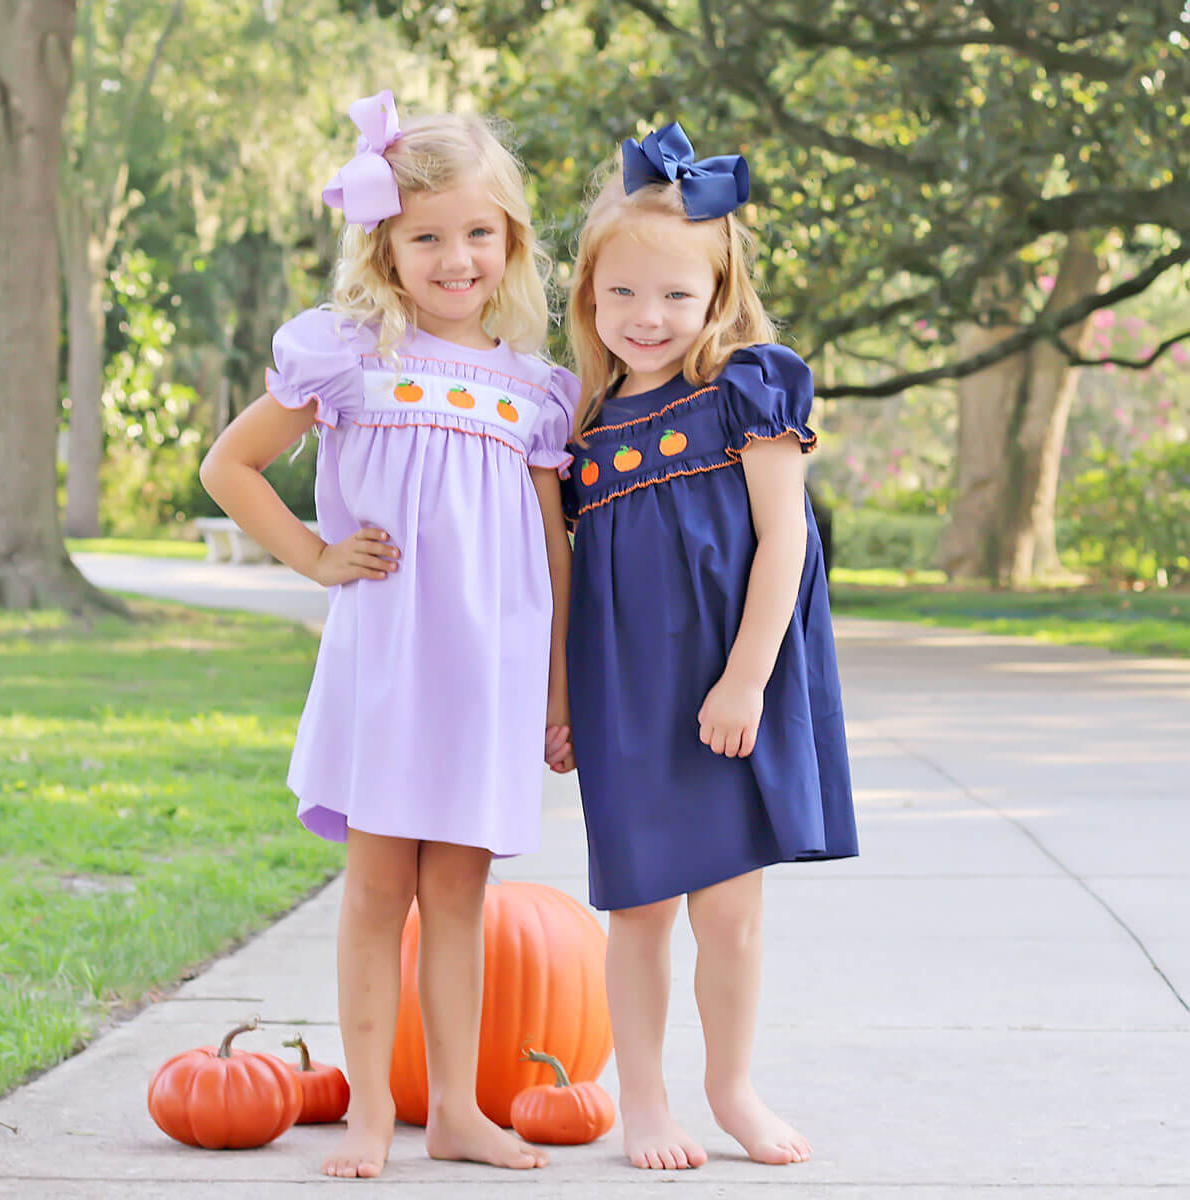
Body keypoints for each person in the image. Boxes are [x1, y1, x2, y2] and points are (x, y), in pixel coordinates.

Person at [199, 89, 577, 1179]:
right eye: (426, 237)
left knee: (459, 895)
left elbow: (554, 555)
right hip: (387, 666)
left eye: (478, 233)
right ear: (385, 247)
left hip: (489, 672)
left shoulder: (534, 392)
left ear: (510, 242)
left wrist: (558, 689)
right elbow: (230, 466)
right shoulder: (349, 357)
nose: (456, 259)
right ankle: (372, 1112)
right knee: (375, 891)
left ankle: (455, 1110)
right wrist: (317, 556)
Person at [562, 122, 858, 1171]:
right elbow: (563, 576)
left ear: (719, 293)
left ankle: (730, 1088)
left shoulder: (746, 389)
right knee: (638, 911)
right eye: (621, 294)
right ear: (589, 297)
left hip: (730, 686)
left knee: (729, 914)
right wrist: (560, 702)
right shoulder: (583, 422)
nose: (646, 317)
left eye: (675, 295)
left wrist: (745, 678)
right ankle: (642, 1103)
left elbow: (787, 541)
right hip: (628, 694)